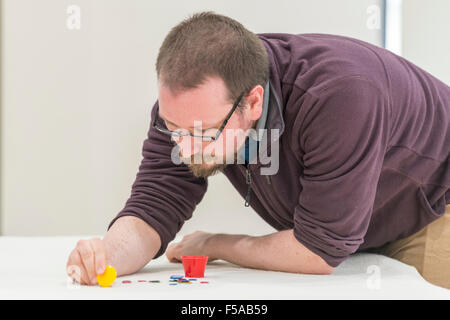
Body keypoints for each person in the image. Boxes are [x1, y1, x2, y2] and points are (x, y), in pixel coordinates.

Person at [66, 11, 450, 289]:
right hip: (358, 227)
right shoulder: (190, 112)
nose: (183, 146)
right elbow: (154, 205)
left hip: (434, 203)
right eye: (172, 128)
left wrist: (216, 244)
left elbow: (317, 251)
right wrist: (104, 257)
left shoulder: (341, 95)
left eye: (202, 133)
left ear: (253, 102)